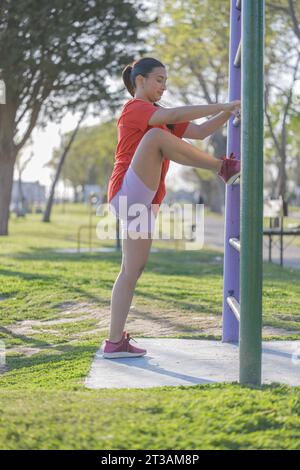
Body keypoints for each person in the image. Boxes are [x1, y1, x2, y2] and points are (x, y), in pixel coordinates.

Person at [101, 57, 240, 359]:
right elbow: (174, 116)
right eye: (158, 80)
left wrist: (228, 112)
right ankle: (222, 168)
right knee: (155, 137)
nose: (163, 86)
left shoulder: (160, 116)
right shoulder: (136, 109)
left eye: (165, 81)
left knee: (131, 270)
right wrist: (220, 103)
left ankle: (114, 342)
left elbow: (201, 132)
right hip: (127, 190)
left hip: (143, 201)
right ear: (139, 81)